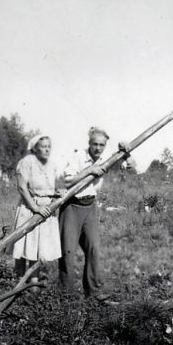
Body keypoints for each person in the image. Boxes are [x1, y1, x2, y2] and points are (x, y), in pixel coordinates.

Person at [59, 126, 136, 299]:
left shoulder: (105, 159)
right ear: (89, 143)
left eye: (102, 145)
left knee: (94, 249)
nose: (98, 148)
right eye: (95, 144)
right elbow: (68, 180)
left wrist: (126, 152)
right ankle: (66, 296)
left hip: (90, 207)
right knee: (67, 252)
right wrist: (89, 170)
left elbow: (132, 168)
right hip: (72, 206)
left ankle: (93, 292)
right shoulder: (78, 156)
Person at [12, 135, 62, 286]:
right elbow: (22, 187)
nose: (47, 149)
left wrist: (57, 193)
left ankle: (34, 281)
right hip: (30, 207)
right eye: (43, 146)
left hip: (47, 209)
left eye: (49, 146)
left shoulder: (52, 165)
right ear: (35, 148)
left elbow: (52, 187)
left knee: (39, 246)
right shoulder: (26, 162)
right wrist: (35, 208)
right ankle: (18, 281)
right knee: (24, 244)